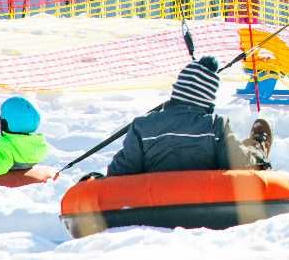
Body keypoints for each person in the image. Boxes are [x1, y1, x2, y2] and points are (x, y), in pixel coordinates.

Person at [106, 55, 273, 175]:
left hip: (150, 208)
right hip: (209, 207)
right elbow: (239, 164)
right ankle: (257, 147)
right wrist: (257, 160)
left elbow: (120, 172)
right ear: (208, 99)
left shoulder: (141, 126)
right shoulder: (215, 126)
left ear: (176, 91)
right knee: (244, 153)